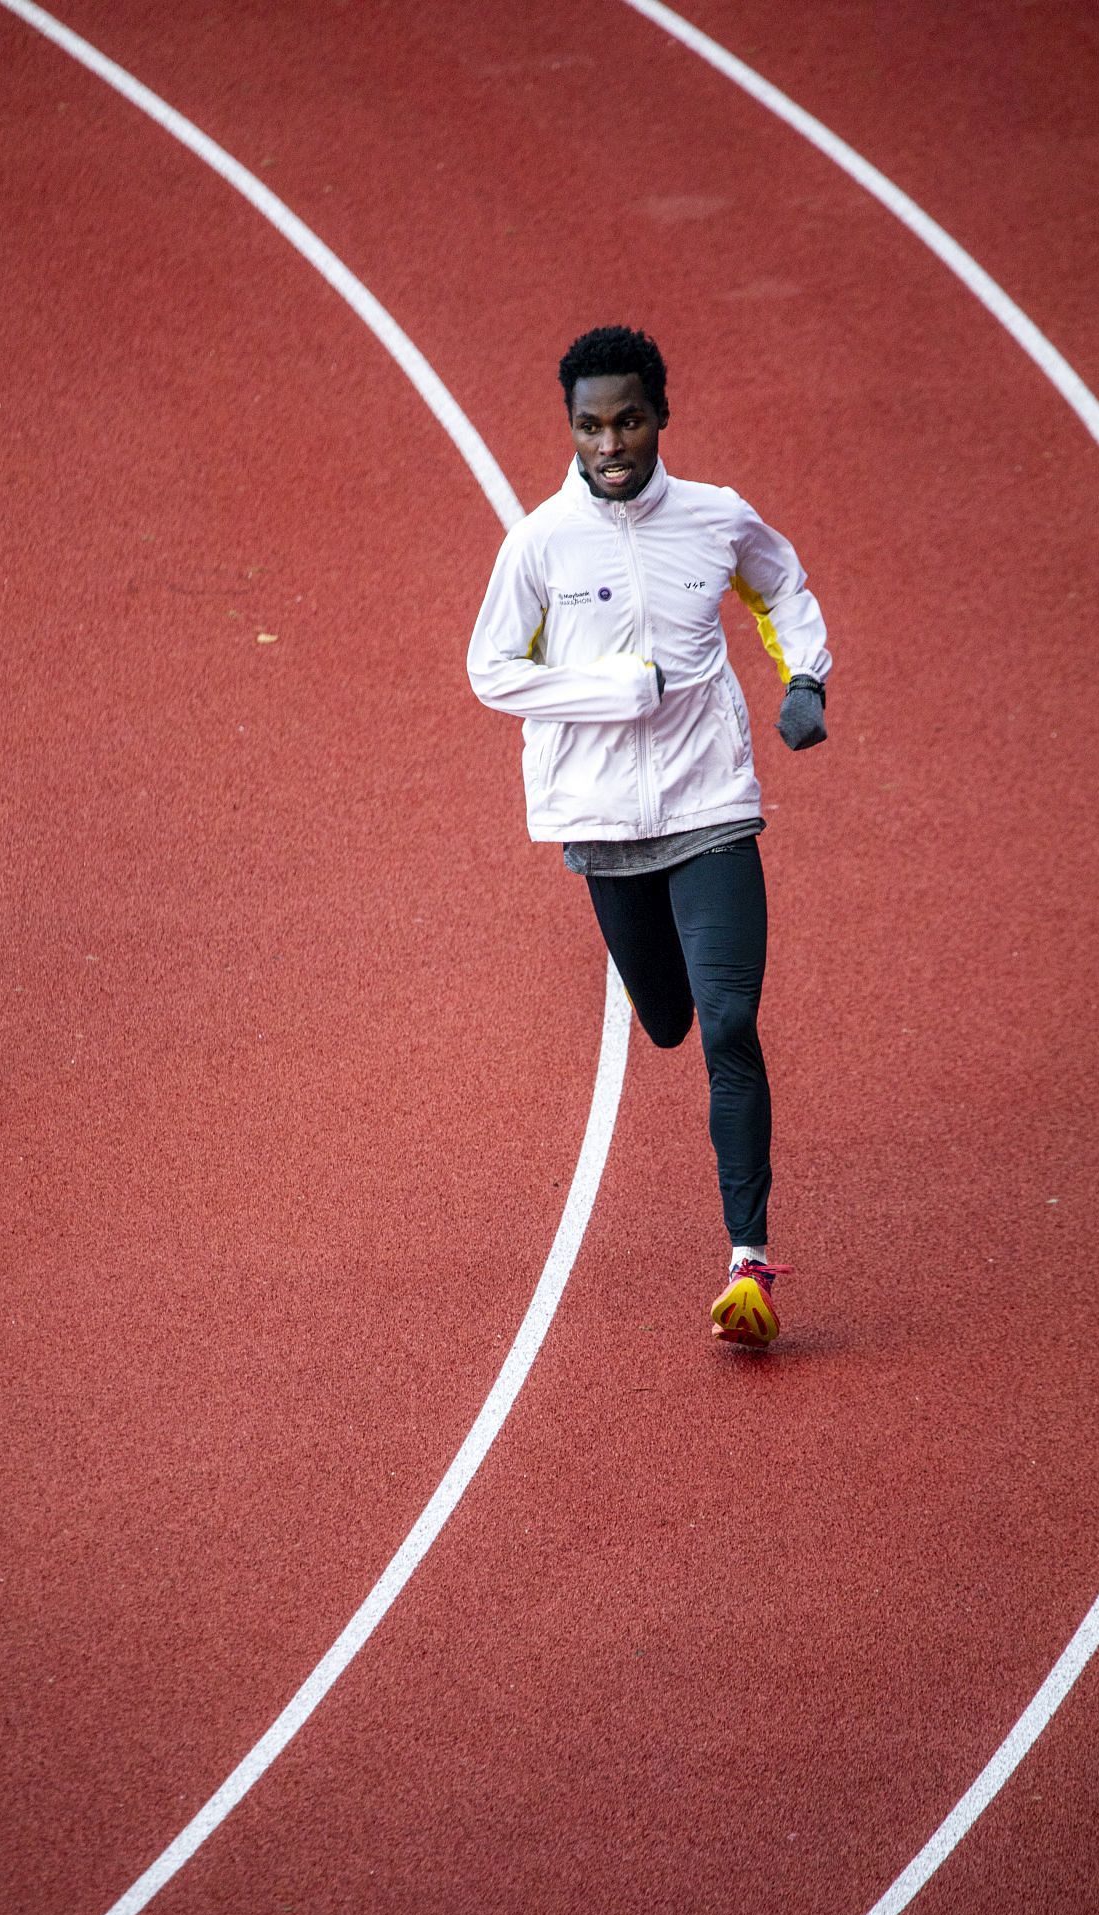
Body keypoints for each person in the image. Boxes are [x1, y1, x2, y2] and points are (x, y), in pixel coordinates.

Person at [467, 325, 830, 1348]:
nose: (609, 444)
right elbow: (492, 670)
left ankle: (748, 1261)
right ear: (571, 429)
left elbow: (783, 586)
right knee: (666, 1020)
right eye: (590, 426)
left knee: (727, 1023)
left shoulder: (716, 517)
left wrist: (806, 677)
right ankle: (658, 983)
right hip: (602, 819)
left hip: (712, 802)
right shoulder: (540, 543)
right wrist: (614, 691)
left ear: (659, 415)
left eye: (627, 420)